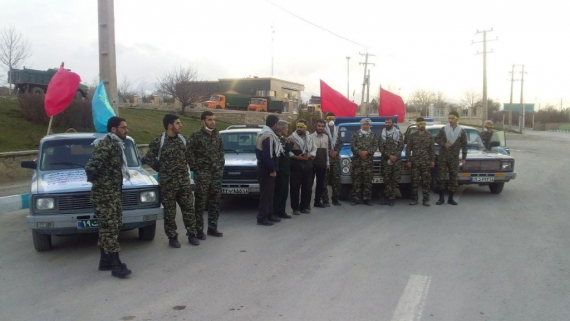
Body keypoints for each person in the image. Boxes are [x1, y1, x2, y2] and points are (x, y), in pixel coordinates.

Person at [85, 116, 132, 279]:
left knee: (110, 227)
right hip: (106, 195)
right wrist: (102, 185)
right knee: (110, 228)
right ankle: (116, 264)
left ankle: (105, 260)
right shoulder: (106, 145)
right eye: (123, 127)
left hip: (113, 194)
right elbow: (91, 168)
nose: (126, 130)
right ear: (113, 129)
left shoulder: (116, 144)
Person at [143, 114, 198, 248]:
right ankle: (172, 237)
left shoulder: (183, 140)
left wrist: (194, 169)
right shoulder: (159, 141)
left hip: (184, 183)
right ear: (170, 126)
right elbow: (148, 157)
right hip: (168, 185)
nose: (181, 125)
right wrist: (161, 169)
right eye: (178, 123)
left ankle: (192, 234)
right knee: (170, 212)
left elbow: (190, 158)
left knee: (189, 209)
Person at [189, 111, 225, 238]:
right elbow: (189, 153)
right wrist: (196, 168)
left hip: (216, 174)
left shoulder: (217, 135)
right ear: (203, 121)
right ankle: (199, 230)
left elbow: (221, 152)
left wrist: (220, 167)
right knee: (200, 203)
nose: (213, 122)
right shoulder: (196, 136)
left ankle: (212, 228)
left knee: (215, 202)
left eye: (214, 119)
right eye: (210, 119)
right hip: (202, 175)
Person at [435, 111, 467, 205]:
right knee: (441, 178)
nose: (450, 120)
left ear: (457, 119)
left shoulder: (461, 131)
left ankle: (451, 198)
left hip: (454, 158)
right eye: (449, 118)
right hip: (443, 157)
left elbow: (464, 145)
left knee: (454, 178)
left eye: (452, 118)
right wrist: (444, 144)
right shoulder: (444, 129)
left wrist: (464, 158)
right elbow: (436, 138)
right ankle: (441, 198)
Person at [255, 115, 282, 226]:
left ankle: (269, 215)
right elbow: (268, 155)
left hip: (263, 168)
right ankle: (262, 217)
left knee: (269, 194)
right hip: (266, 170)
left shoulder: (263, 133)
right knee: (266, 194)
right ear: (275, 124)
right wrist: (272, 169)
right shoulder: (268, 136)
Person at [405, 117, 435, 206]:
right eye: (420, 124)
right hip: (415, 162)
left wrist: (432, 160)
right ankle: (414, 199)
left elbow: (432, 150)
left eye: (423, 124)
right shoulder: (412, 136)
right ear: (417, 125)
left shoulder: (429, 136)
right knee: (414, 181)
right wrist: (408, 160)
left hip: (426, 162)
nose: (422, 126)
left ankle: (426, 200)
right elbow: (408, 149)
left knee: (426, 181)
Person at [289, 119, 316, 215]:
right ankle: (295, 208)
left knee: (307, 187)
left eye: (301, 127)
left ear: (305, 128)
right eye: (298, 127)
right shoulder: (291, 137)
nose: (299, 129)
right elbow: (288, 151)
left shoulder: (309, 138)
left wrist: (310, 155)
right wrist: (296, 157)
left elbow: (314, 149)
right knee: (295, 188)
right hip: (296, 165)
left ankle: (304, 206)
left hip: (308, 165)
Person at [350, 118, 377, 206]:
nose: (365, 126)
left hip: (368, 162)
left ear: (370, 125)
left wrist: (367, 152)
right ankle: (355, 199)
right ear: (361, 125)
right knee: (356, 181)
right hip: (357, 162)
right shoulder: (355, 134)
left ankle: (366, 199)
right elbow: (352, 145)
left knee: (368, 181)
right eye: (364, 124)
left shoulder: (373, 135)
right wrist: (359, 152)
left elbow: (375, 146)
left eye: (367, 124)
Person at [379, 117, 404, 206]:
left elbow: (401, 146)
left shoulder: (398, 133)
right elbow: (381, 147)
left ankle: (389, 195)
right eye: (386, 122)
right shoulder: (382, 134)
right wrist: (389, 156)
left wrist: (395, 156)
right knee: (387, 179)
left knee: (395, 179)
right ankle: (390, 197)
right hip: (386, 159)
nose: (387, 124)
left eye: (389, 122)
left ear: (392, 123)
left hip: (396, 160)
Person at [273, 120, 294, 219]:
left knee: (285, 192)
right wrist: (290, 144)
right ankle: (275, 212)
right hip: (280, 170)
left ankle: (282, 211)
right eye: (286, 128)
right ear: (281, 129)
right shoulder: (277, 139)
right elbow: (282, 152)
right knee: (279, 193)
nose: (287, 129)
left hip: (286, 170)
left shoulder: (283, 139)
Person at [322, 112, 342, 206]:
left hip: (335, 158)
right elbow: (322, 142)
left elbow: (340, 142)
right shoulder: (323, 129)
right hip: (326, 158)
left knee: (336, 179)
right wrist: (329, 152)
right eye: (329, 118)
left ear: (335, 119)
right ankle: (325, 200)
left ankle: (335, 199)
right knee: (324, 180)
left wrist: (336, 151)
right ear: (326, 119)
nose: (331, 120)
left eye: (332, 118)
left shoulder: (338, 130)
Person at [310, 119, 330, 208]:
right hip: (312, 164)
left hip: (322, 164)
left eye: (322, 126)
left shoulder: (326, 137)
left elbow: (327, 151)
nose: (320, 128)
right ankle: (306, 203)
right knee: (309, 184)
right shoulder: (310, 137)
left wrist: (328, 163)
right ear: (316, 126)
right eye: (319, 126)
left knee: (320, 184)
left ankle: (317, 202)